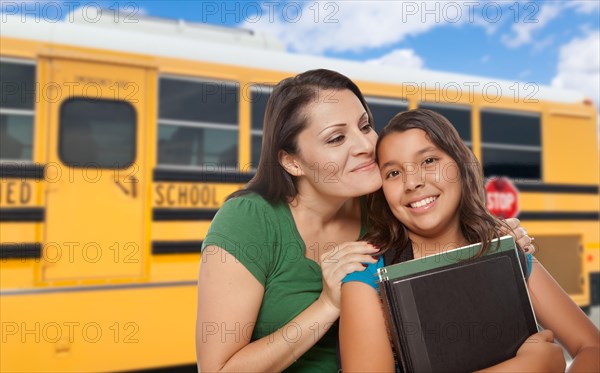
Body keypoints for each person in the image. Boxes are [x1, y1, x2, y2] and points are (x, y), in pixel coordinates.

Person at [196, 70, 532, 372]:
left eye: (365, 125)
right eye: (336, 138)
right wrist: (327, 305)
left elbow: (451, 252)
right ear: (291, 161)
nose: (366, 145)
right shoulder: (249, 220)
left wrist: (496, 240)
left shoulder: (385, 205)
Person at [339, 109, 600, 372]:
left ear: (461, 166)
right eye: (393, 173)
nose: (413, 182)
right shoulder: (366, 278)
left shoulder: (507, 253)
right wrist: (527, 367)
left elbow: (591, 347)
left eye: (429, 160)